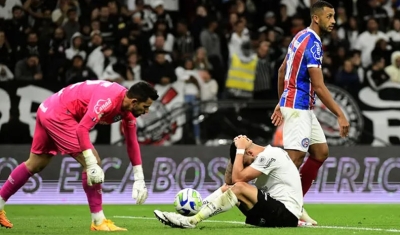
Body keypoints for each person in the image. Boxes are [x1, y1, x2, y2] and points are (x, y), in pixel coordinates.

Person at [0, 80, 159, 231]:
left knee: (36, 163)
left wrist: (139, 178)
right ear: (134, 102)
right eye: (145, 107)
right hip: (59, 113)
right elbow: (82, 129)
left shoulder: (128, 110)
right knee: (94, 161)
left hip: (48, 108)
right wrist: (90, 164)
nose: (146, 112)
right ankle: (98, 221)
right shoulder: (108, 100)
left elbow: (132, 143)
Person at [270, 1, 350, 224]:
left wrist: (281, 101)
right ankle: (279, 208)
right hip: (298, 107)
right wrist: (340, 114)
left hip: (296, 104)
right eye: (329, 16)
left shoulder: (299, 36)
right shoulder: (314, 45)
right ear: (316, 18)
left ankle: (296, 205)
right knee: (293, 161)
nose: (333, 21)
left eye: (334, 16)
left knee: (320, 152)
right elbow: (319, 86)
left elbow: (281, 71)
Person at [154, 135, 303, 228]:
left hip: (286, 215)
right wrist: (237, 152)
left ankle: (191, 221)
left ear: (249, 152)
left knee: (239, 187)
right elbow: (229, 181)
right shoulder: (259, 156)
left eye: (244, 163)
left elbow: (238, 180)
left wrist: (240, 151)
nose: (244, 167)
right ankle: (188, 216)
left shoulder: (272, 154)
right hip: (272, 214)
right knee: (229, 188)